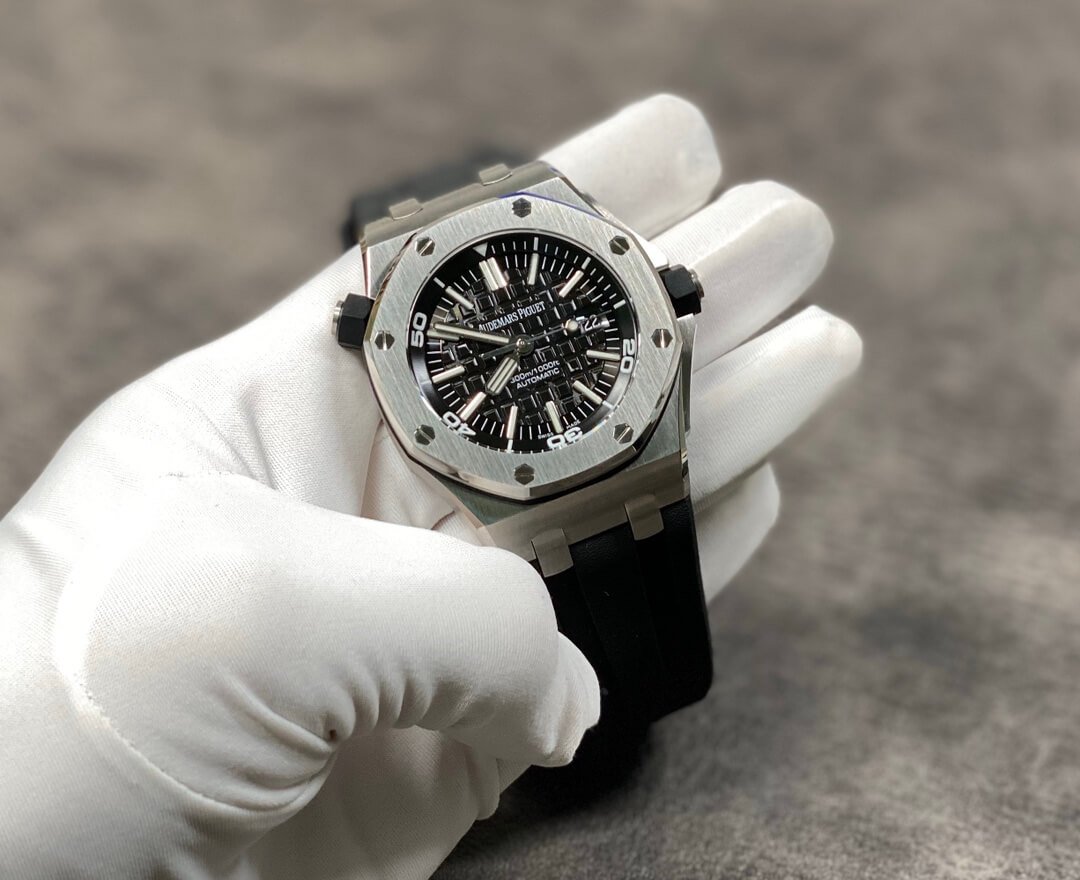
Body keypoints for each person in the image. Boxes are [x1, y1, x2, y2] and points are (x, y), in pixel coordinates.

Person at [0, 95, 861, 879]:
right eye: (497, 348)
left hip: (618, 439)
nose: (521, 347)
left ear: (668, 295)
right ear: (373, 340)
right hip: (506, 478)